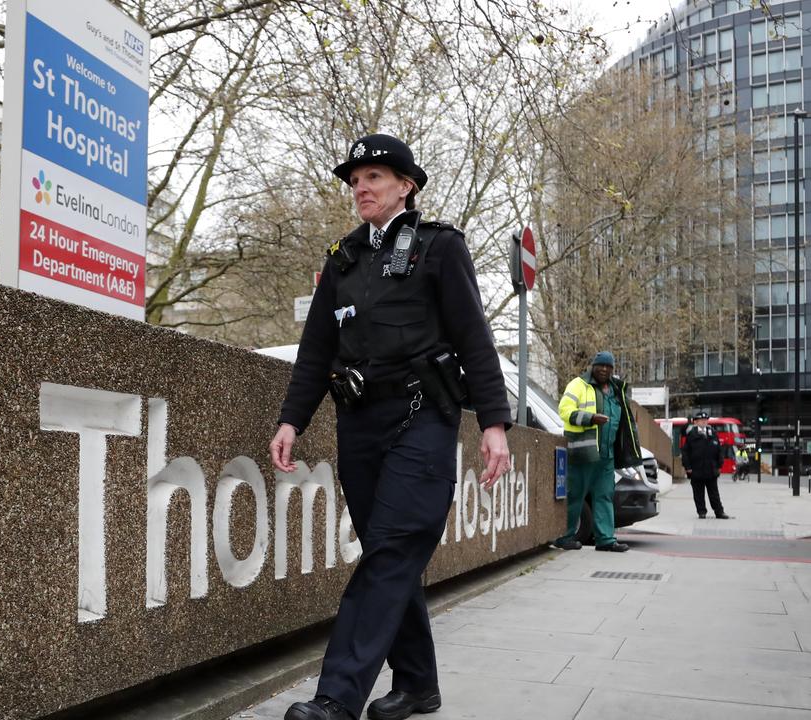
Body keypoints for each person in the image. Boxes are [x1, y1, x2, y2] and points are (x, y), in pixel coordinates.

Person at [268, 133, 512, 720]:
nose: (361, 189)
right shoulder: (342, 259)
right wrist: (290, 421)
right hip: (359, 425)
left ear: (406, 185)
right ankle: (419, 685)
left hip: (423, 418)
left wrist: (495, 423)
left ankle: (337, 698)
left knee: (392, 550)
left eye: (373, 177)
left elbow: (475, 338)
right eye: (355, 181)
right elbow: (315, 352)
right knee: (388, 552)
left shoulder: (439, 248)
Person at [552, 352, 643, 553]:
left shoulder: (617, 390)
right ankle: (563, 537)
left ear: (612, 369)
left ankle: (605, 539)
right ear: (593, 366)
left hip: (607, 456)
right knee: (575, 495)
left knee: (605, 496)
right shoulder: (578, 384)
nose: (604, 369)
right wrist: (590, 418)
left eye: (608, 366)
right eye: (600, 365)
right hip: (584, 452)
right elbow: (564, 410)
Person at [682, 411, 730, 518]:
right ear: (696, 422)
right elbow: (685, 452)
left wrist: (719, 465)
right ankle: (701, 512)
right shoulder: (691, 435)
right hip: (696, 469)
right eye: (701, 420)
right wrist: (688, 467)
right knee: (698, 493)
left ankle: (719, 512)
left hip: (711, 469)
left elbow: (719, 450)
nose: (704, 422)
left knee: (714, 493)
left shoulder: (713, 433)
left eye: (705, 420)